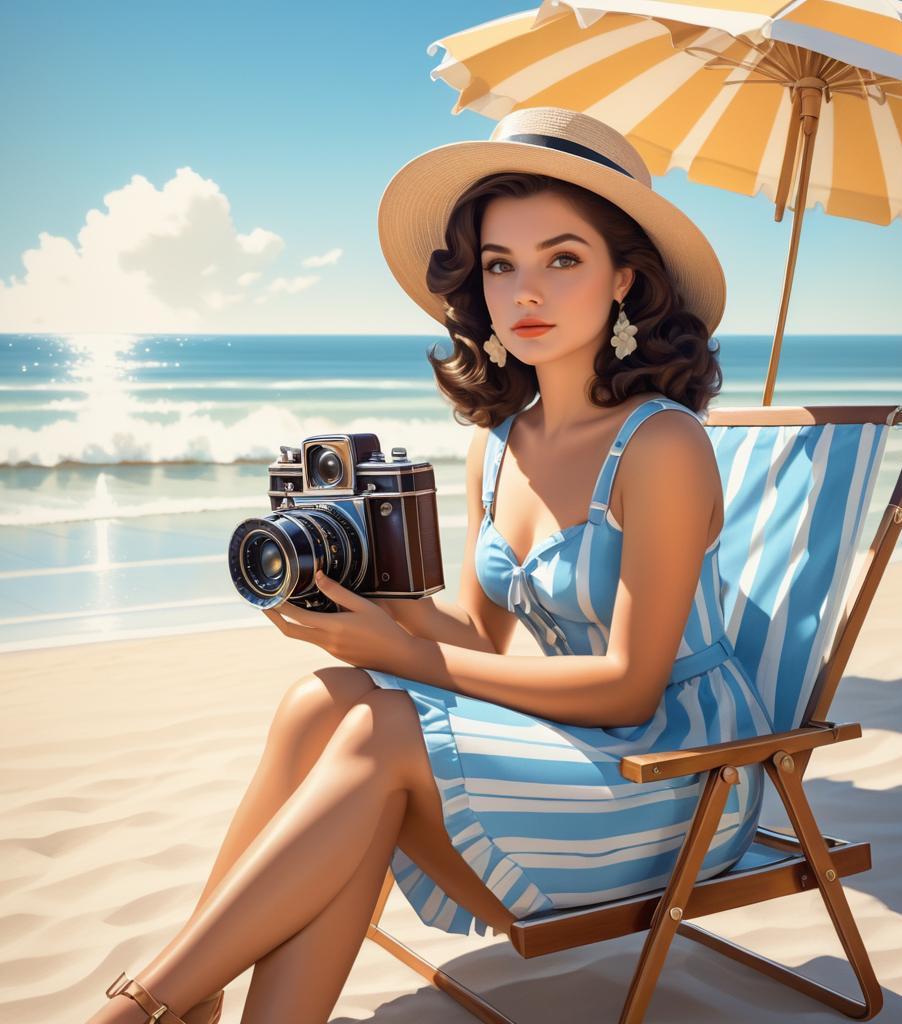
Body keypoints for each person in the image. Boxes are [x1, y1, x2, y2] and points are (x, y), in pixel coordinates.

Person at [91, 106, 774, 1024]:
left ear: (624, 279)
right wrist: (367, 608)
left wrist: (407, 656)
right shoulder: (500, 443)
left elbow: (628, 689)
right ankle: (202, 998)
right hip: (580, 753)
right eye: (501, 265)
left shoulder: (663, 444)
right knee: (323, 698)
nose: (525, 291)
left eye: (562, 258)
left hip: (683, 778)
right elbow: (482, 642)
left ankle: (146, 1006)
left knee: (379, 734)